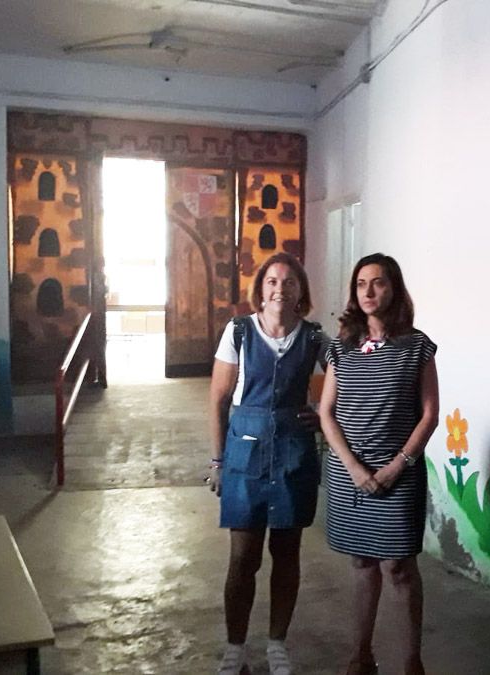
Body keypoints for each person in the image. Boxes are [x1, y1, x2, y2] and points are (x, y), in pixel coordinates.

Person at [208, 252, 329, 675]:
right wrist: (218, 460)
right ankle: (235, 648)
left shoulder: (316, 338)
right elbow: (219, 399)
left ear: (301, 292)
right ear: (260, 289)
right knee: (242, 558)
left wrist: (322, 415)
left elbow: (345, 382)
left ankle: (277, 644)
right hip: (246, 453)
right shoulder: (239, 331)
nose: (281, 288)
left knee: (287, 553)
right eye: (273, 281)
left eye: (290, 282)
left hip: (295, 454)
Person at [318, 253, 439, 675]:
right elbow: (326, 412)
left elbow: (429, 415)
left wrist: (397, 465)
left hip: (398, 473)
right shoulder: (341, 345)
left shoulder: (417, 345)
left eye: (379, 283)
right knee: (361, 563)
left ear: (394, 288)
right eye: (361, 284)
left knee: (399, 567)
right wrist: (353, 467)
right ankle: (360, 657)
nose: (369, 292)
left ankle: (411, 663)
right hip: (348, 472)